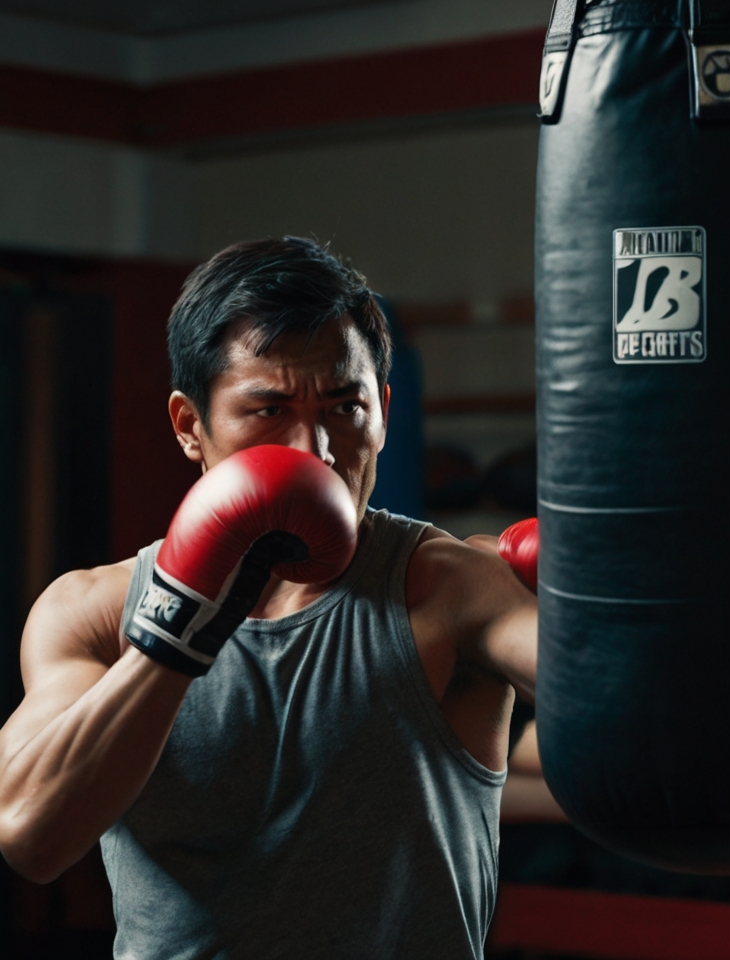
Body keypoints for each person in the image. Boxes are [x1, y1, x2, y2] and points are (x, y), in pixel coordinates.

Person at [0, 237, 540, 959]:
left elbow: (644, 712)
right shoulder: (94, 613)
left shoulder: (450, 586)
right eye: (269, 409)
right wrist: (181, 621)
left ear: (383, 413)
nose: (314, 449)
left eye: (345, 407)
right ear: (191, 427)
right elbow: (31, 835)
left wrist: (621, 601)